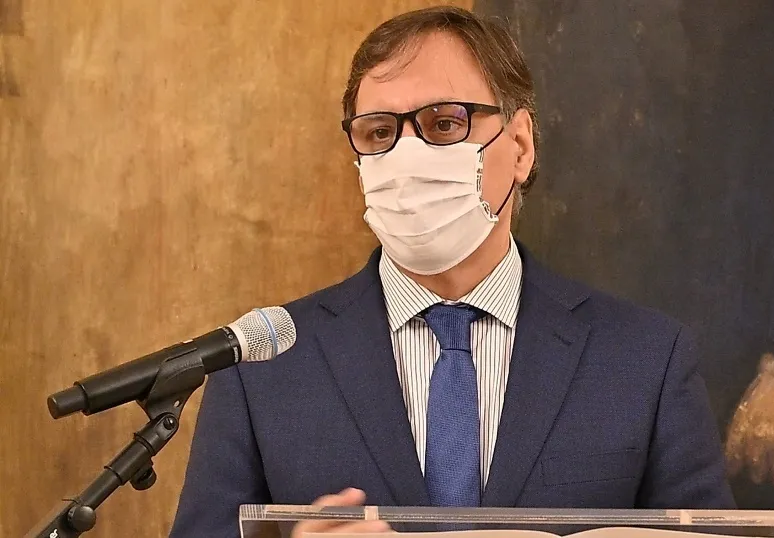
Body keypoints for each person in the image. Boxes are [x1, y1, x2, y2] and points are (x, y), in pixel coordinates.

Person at [168, 6, 735, 537]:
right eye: (380, 133)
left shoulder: (646, 360)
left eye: (443, 124)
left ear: (519, 145)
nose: (406, 156)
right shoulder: (261, 367)